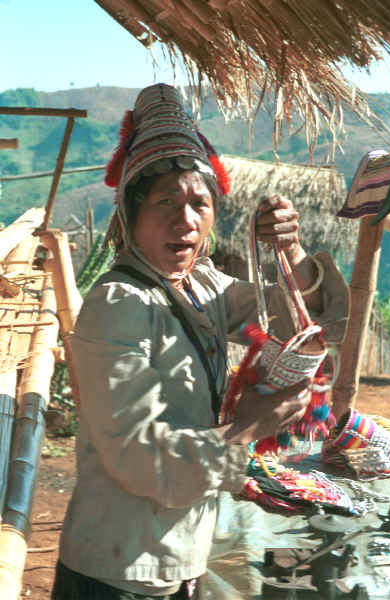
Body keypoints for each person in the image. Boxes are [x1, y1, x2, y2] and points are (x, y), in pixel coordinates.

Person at [51, 84, 349, 600]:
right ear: (131, 212)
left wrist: (292, 253)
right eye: (166, 200)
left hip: (177, 557)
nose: (185, 219)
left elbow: (290, 318)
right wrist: (252, 424)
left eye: (199, 202)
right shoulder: (120, 304)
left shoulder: (204, 285)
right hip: (118, 571)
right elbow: (141, 459)